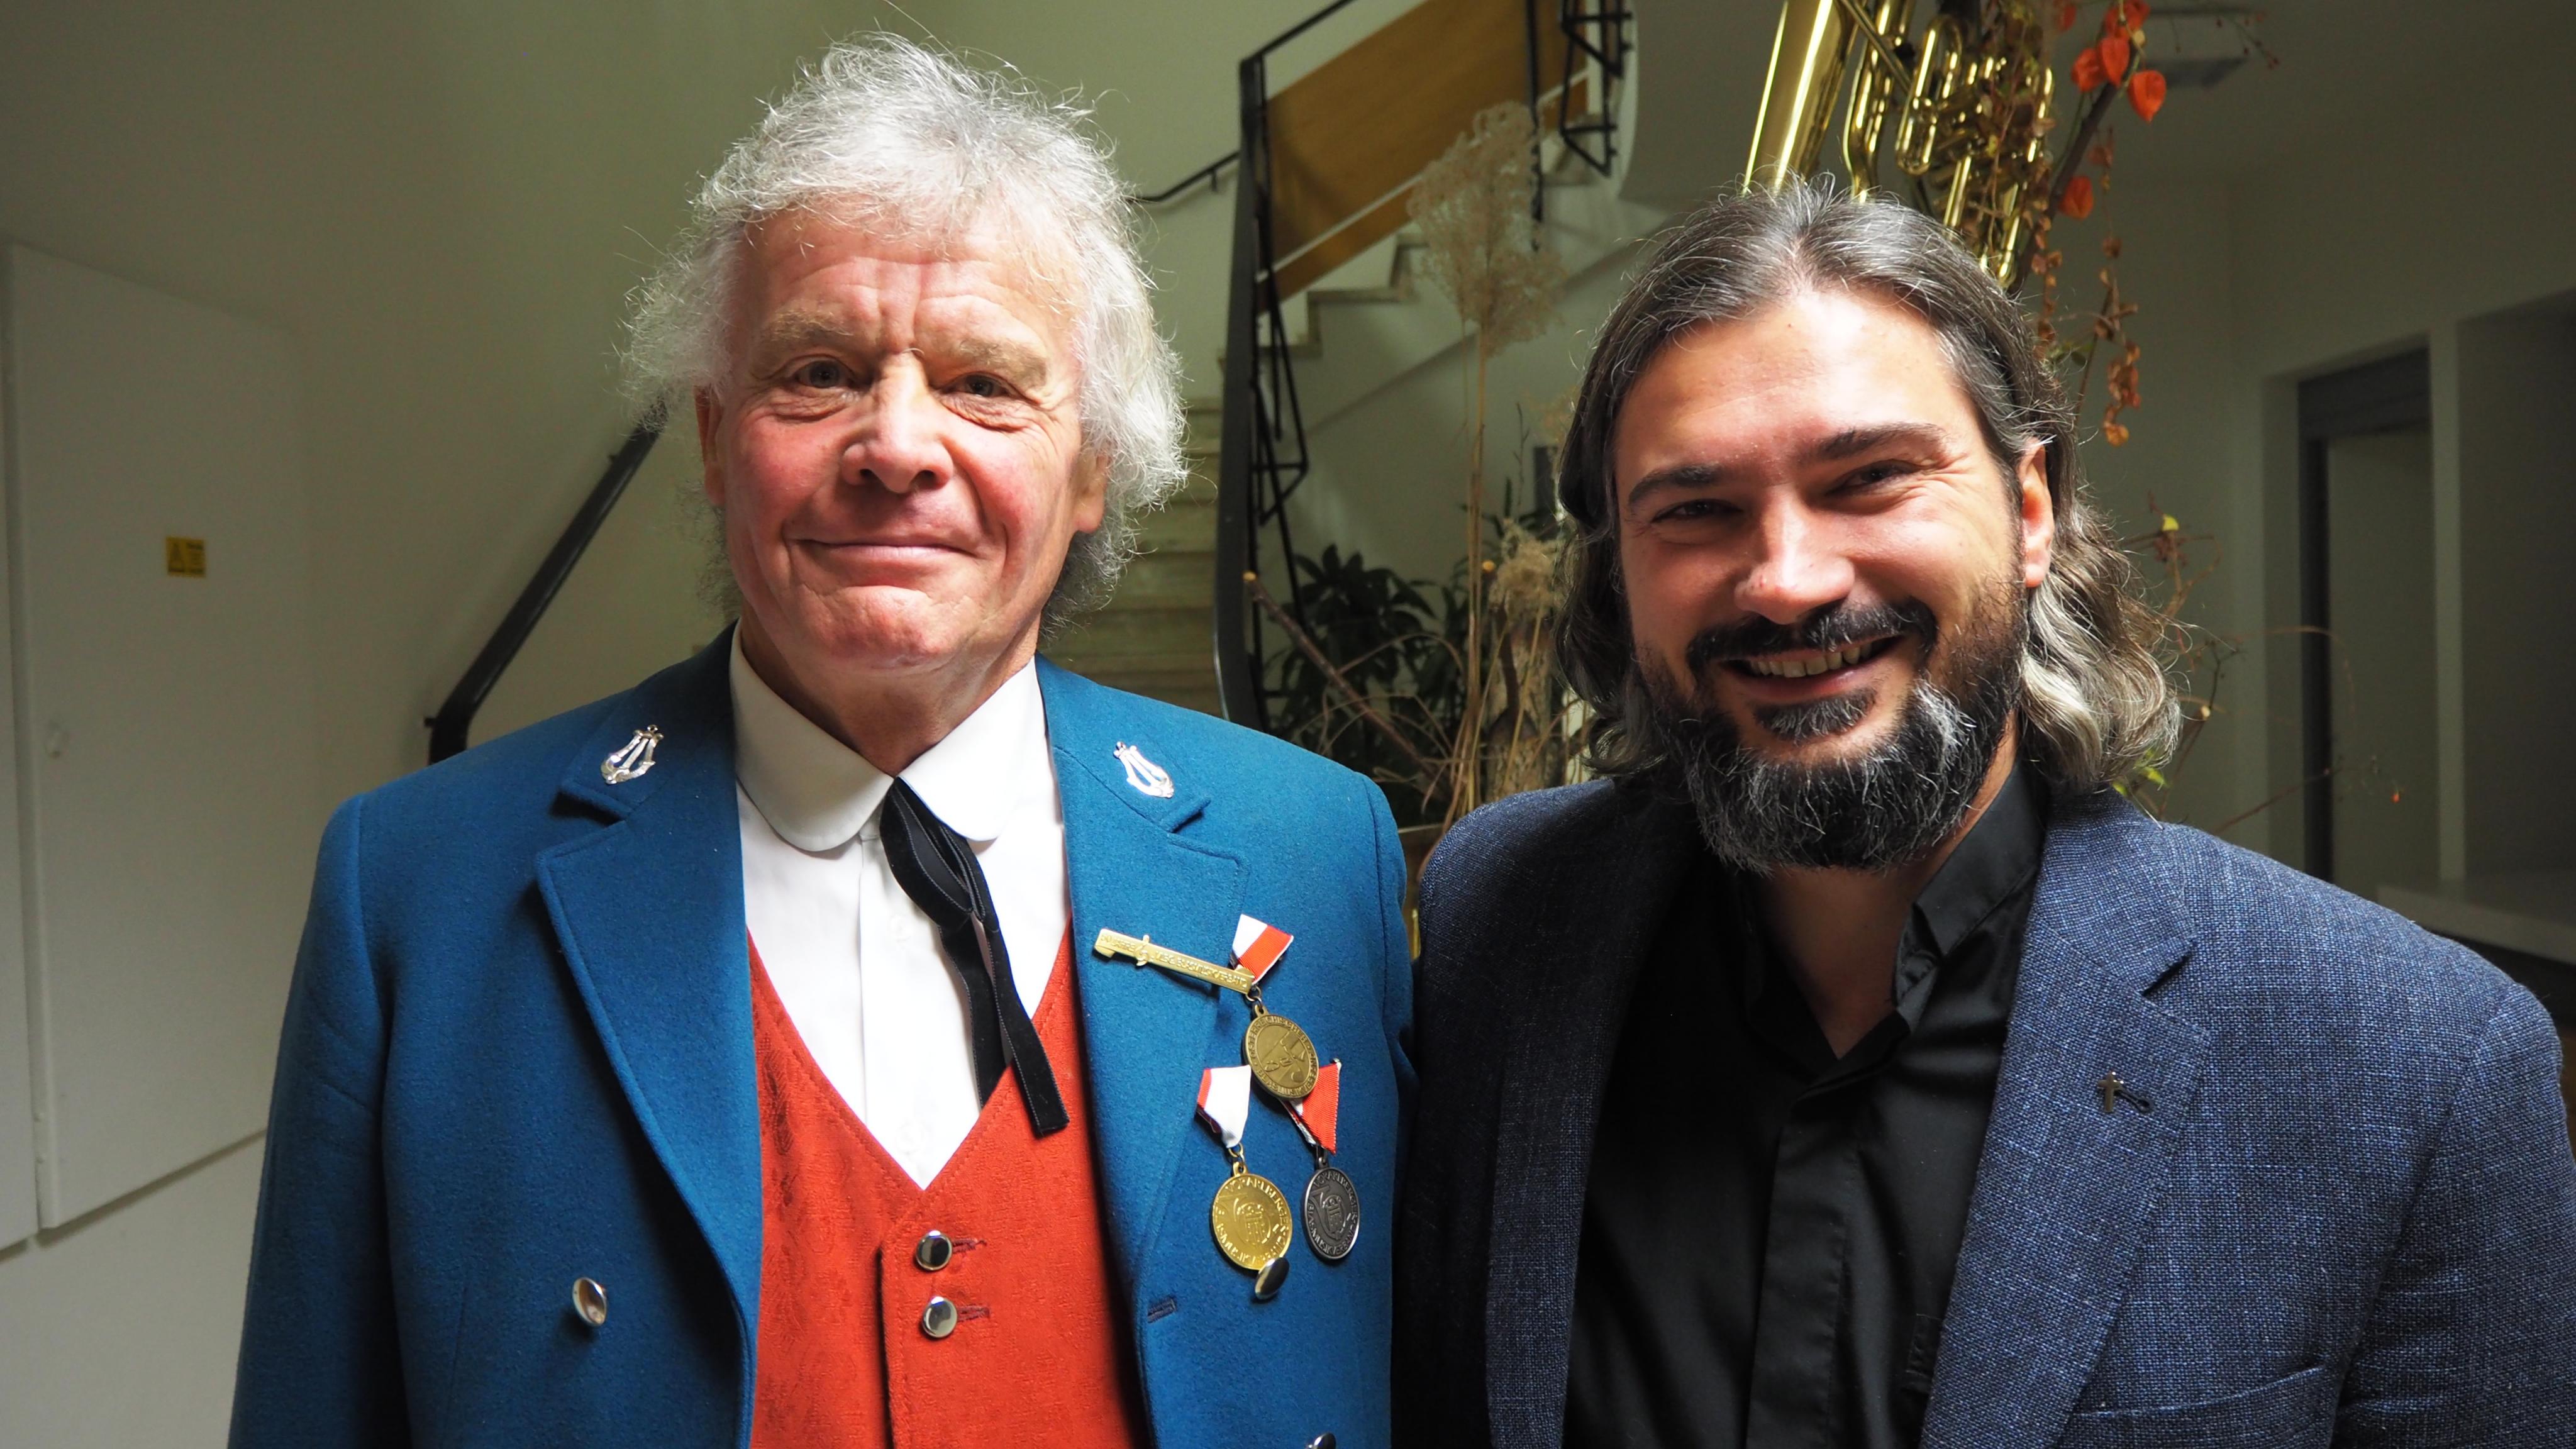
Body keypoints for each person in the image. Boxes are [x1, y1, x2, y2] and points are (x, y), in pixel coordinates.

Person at [231, 36, 1406, 1449]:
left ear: (1093, 466)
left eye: (985, 382)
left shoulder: (1314, 851)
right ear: (714, 439)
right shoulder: (417, 892)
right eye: (821, 371)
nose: (897, 445)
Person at [1395, 180, 2576, 1448]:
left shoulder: (2415, 1065)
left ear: (2029, 512)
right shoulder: (1498, 919)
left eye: (1868, 478)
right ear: (1620, 569)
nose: (1786, 580)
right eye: (1695, 510)